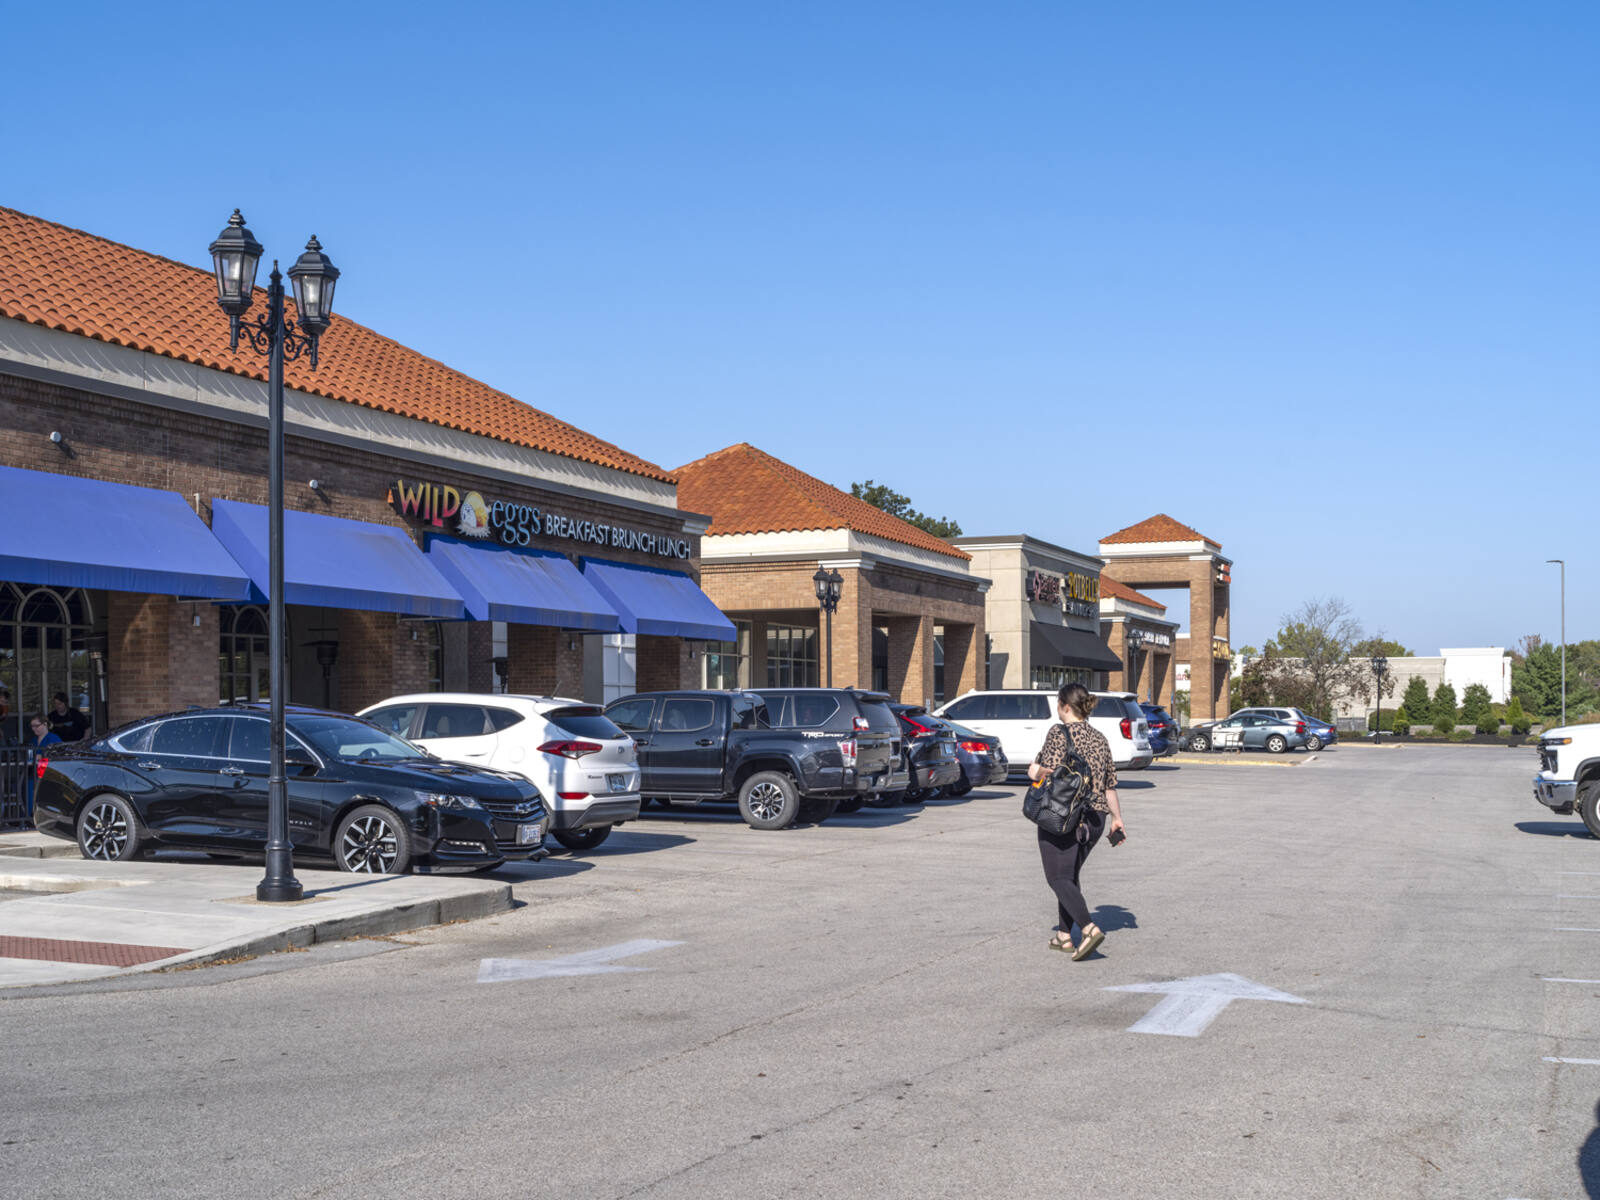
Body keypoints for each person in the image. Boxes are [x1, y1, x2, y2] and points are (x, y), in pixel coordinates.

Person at [1028, 681, 1127, 961]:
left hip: (1063, 817)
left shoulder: (1058, 733)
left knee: (1057, 877)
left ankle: (1088, 927)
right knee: (1069, 875)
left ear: (1066, 707)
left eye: (1058, 705)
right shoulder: (1100, 738)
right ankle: (1063, 936)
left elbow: (1049, 773)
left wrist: (1034, 771)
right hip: (1094, 821)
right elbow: (1109, 786)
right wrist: (1117, 819)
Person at [26, 715, 60, 816]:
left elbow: (53, 755)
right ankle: (30, 816)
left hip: (49, 775)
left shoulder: (53, 738)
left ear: (45, 724)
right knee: (27, 788)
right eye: (32, 726)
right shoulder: (33, 741)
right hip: (34, 773)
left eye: (36, 726)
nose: (34, 729)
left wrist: (40, 756)